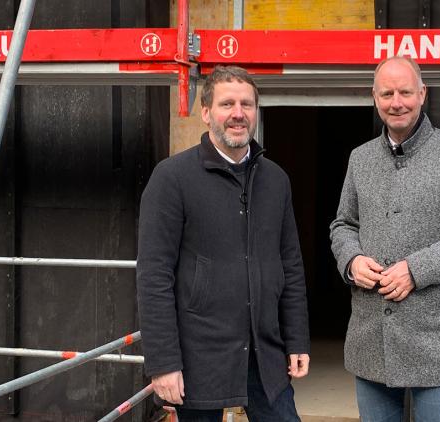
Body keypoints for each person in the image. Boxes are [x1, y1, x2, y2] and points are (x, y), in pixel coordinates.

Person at [329, 56, 440, 421]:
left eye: (405, 92)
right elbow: (343, 224)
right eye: (387, 93)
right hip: (371, 337)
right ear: (375, 98)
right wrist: (351, 260)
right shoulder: (360, 159)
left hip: (436, 338)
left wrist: (417, 269)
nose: (397, 102)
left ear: (422, 93)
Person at [136, 65, 310, 422]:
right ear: (205, 112)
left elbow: (290, 265)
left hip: (265, 356)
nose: (238, 113)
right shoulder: (172, 178)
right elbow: (154, 276)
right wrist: (164, 363)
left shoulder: (276, 180)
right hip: (201, 357)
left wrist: (297, 339)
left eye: (246, 104)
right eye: (227, 103)